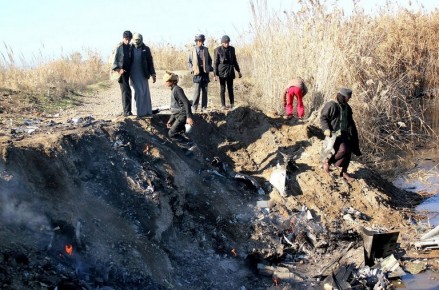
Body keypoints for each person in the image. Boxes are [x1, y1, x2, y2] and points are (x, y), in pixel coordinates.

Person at [320, 88, 361, 181]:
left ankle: (344, 172)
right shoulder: (331, 105)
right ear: (343, 96)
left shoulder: (347, 107)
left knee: (349, 151)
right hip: (334, 134)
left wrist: (353, 133)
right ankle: (327, 162)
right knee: (343, 150)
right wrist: (326, 128)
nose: (348, 99)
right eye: (348, 97)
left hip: (345, 133)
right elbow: (323, 118)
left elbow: (350, 121)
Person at [129, 32, 156, 118]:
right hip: (133, 73)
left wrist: (153, 73)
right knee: (136, 92)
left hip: (143, 73)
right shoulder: (130, 48)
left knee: (144, 92)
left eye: (138, 40)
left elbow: (150, 62)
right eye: (135, 40)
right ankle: (136, 111)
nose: (136, 42)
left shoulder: (146, 49)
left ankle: (146, 111)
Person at [163, 71, 194, 145]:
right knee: (179, 133)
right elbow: (176, 107)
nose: (165, 83)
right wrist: (171, 119)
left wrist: (189, 117)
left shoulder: (177, 90)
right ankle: (187, 149)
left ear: (172, 81)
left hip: (182, 115)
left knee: (171, 133)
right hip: (179, 115)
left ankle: (190, 145)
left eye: (166, 81)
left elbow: (186, 102)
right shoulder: (174, 90)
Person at [213, 35, 242, 110]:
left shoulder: (232, 49)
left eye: (228, 42)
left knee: (230, 89)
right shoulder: (217, 50)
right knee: (222, 89)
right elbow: (215, 63)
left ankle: (232, 104)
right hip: (221, 71)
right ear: (222, 43)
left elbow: (235, 61)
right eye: (225, 43)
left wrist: (238, 71)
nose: (227, 44)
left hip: (230, 71)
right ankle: (223, 105)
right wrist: (215, 74)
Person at [188, 34, 213, 112]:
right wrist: (191, 69)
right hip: (197, 73)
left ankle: (204, 107)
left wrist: (208, 67)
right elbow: (189, 62)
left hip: (205, 72)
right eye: (199, 41)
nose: (200, 43)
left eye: (201, 41)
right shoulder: (193, 50)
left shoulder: (206, 49)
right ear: (196, 42)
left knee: (205, 91)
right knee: (197, 91)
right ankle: (194, 107)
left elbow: (210, 60)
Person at [112, 30, 133, 117]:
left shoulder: (131, 47)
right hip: (121, 73)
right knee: (125, 91)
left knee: (128, 91)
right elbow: (114, 61)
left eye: (129, 39)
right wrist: (118, 69)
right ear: (123, 38)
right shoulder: (118, 47)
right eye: (126, 39)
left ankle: (128, 111)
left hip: (129, 72)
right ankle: (126, 112)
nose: (127, 41)